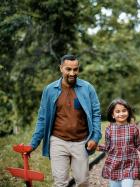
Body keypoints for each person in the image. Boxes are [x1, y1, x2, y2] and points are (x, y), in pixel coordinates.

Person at [29, 54, 102, 187]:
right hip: (58, 141)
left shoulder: (87, 88)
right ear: (61, 68)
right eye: (68, 69)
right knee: (60, 182)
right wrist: (33, 144)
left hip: (81, 142)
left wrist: (95, 138)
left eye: (76, 69)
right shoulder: (50, 90)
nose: (72, 73)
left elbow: (96, 114)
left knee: (82, 182)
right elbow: (42, 119)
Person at [97, 98, 140, 187]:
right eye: (118, 111)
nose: (121, 114)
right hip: (114, 165)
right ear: (113, 115)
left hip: (130, 165)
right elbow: (108, 147)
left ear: (128, 112)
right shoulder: (109, 130)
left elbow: (138, 145)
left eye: (124, 111)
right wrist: (97, 147)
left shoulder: (133, 129)